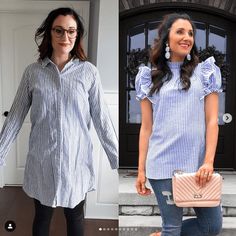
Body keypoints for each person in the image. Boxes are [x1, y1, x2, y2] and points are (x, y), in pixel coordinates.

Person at [0, 7, 118, 236]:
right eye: (59, 31)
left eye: (71, 31)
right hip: (42, 160)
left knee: (74, 217)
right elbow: (15, 117)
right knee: (42, 216)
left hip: (76, 162)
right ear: (49, 34)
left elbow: (102, 119)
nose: (66, 37)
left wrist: (117, 158)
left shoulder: (88, 73)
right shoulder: (33, 73)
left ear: (77, 35)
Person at [135, 13, 222, 236]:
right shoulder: (149, 78)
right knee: (172, 228)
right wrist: (141, 169)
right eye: (180, 32)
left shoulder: (205, 73)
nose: (187, 37)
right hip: (162, 165)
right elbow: (146, 127)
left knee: (211, 226)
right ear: (166, 39)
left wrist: (208, 162)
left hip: (197, 166)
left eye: (191, 33)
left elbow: (212, 121)